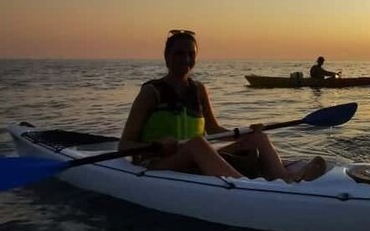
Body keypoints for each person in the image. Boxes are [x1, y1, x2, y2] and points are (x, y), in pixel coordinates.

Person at [119, 29, 326, 182]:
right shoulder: (151, 92)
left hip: (192, 158)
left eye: (191, 54)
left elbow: (214, 130)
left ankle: (285, 179)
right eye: (179, 53)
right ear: (167, 57)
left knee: (258, 138)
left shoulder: (198, 90)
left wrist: (245, 133)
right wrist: (158, 145)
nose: (186, 59)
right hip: (157, 164)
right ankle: (244, 186)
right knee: (198, 143)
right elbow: (124, 145)